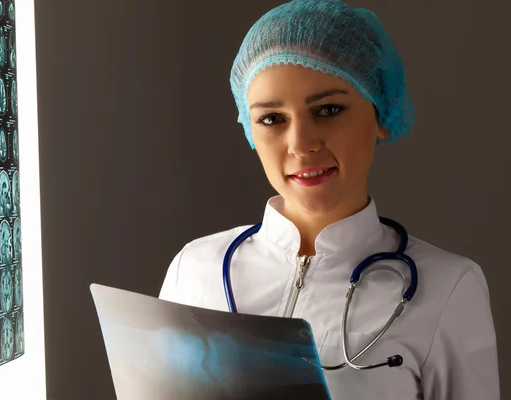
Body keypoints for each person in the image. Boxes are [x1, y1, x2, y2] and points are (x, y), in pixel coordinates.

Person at [158, 0, 500, 399]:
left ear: (381, 114)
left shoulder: (447, 289)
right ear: (249, 127)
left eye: (328, 110)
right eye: (272, 118)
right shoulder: (194, 270)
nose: (301, 144)